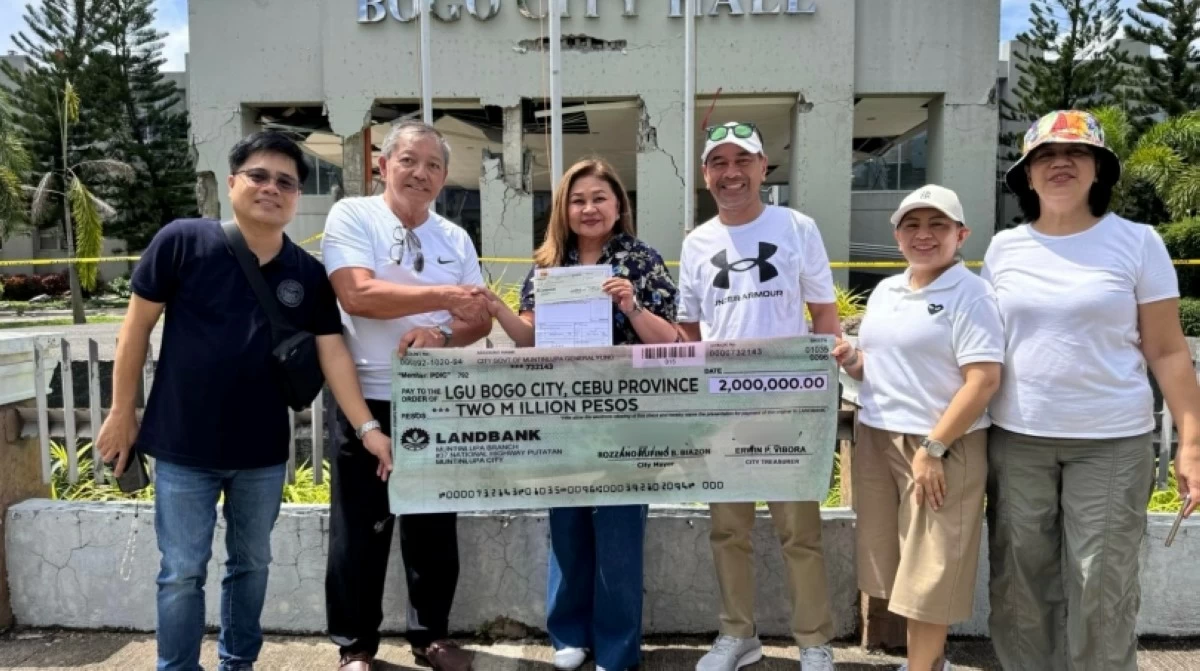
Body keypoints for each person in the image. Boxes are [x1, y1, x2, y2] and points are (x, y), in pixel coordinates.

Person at [96, 130, 390, 671]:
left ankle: (239, 663)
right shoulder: (183, 241)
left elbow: (334, 357)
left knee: (251, 564)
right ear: (232, 183)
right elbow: (134, 330)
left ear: (297, 197)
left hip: (261, 453)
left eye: (286, 182)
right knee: (181, 570)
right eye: (259, 175)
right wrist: (121, 412)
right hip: (184, 448)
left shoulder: (308, 274)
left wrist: (369, 429)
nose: (271, 188)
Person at [983, 109, 1200, 671]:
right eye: (1044, 156)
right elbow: (979, 348)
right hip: (1018, 437)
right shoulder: (1004, 249)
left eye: (1076, 154)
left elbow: (1169, 350)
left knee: (1101, 584)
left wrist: (1192, 443)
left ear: (1099, 169)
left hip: (1111, 441)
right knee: (1019, 584)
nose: (1060, 164)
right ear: (1026, 176)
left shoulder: (1137, 242)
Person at [483, 158, 679, 671]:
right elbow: (529, 341)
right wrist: (500, 310)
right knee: (566, 524)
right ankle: (568, 635)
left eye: (599, 198)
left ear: (619, 206)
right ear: (563, 209)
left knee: (619, 533)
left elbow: (673, 341)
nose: (588, 208)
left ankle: (617, 648)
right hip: (564, 414)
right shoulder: (549, 265)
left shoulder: (641, 261)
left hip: (628, 417)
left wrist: (633, 307)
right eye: (577, 199)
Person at [320, 120, 493, 671]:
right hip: (365, 399)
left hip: (436, 395)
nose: (421, 173)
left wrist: (441, 332)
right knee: (360, 530)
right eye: (409, 161)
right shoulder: (352, 216)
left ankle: (432, 636)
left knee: (434, 526)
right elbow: (357, 293)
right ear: (383, 165)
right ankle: (355, 647)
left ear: (445, 176)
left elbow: (475, 321)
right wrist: (443, 296)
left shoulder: (455, 236)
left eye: (434, 165)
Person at [676, 121, 839, 671]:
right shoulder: (696, 242)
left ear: (763, 167)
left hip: (787, 404)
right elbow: (690, 332)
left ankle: (813, 641)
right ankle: (737, 634)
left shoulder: (796, 227)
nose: (731, 173)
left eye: (741, 161)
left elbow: (823, 314)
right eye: (718, 162)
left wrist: (820, 393)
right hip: (723, 408)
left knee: (800, 532)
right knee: (728, 529)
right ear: (705, 174)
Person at [833, 185, 1003, 671]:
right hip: (878, 434)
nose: (923, 235)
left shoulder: (973, 295)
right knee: (896, 563)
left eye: (938, 226)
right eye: (912, 225)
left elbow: (984, 379)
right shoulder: (887, 290)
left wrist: (934, 446)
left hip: (941, 444)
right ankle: (925, 662)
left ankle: (922, 667)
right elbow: (879, 366)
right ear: (897, 234)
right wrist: (853, 359)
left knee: (931, 568)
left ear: (961, 234)